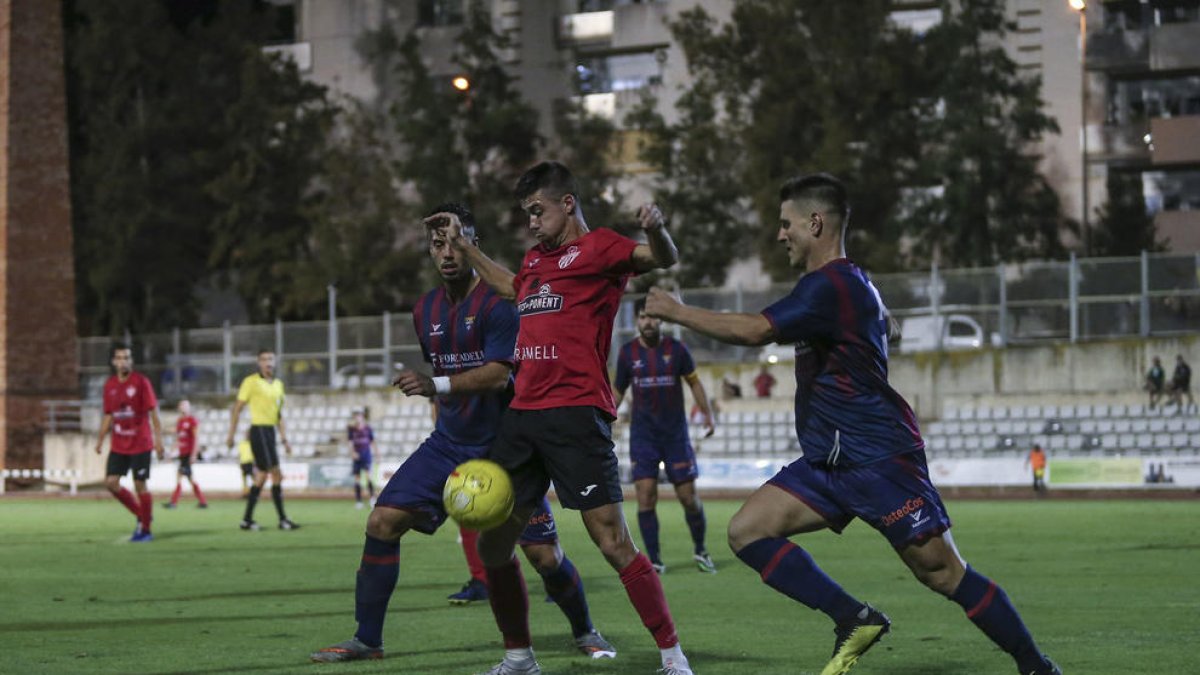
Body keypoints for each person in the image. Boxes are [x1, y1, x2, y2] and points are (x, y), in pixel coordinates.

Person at [644, 173, 1060, 675]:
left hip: (879, 459)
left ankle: (1037, 667)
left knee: (943, 573)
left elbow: (756, 329)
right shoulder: (851, 283)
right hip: (830, 461)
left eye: (786, 224)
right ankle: (853, 618)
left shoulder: (831, 285)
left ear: (815, 223)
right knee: (748, 531)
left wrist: (676, 310)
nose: (780, 235)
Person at [311, 202, 615, 664]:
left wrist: (433, 385)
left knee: (545, 557)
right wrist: (438, 411)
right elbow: (445, 381)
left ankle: (586, 631)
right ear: (430, 252)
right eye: (438, 244)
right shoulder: (425, 310)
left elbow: (496, 376)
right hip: (448, 444)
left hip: (507, 450)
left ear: (473, 246)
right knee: (381, 523)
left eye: (456, 242)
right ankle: (367, 639)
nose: (447, 252)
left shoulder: (501, 304)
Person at [433, 162, 694, 675]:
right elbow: (511, 286)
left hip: (576, 414)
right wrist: (466, 250)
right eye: (526, 213)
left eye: (537, 210)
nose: (531, 222)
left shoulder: (601, 249)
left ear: (567, 203)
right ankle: (518, 658)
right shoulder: (534, 261)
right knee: (494, 543)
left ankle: (672, 655)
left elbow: (660, 257)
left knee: (612, 541)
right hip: (523, 417)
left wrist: (656, 230)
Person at [614, 297, 717, 575]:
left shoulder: (677, 350)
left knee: (689, 498)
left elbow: (694, 383)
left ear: (662, 320)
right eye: (643, 317)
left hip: (675, 437)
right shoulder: (627, 354)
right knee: (645, 497)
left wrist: (707, 414)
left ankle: (701, 550)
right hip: (643, 437)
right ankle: (655, 561)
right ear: (637, 320)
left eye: (653, 317)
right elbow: (618, 391)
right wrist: (605, 417)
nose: (648, 322)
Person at [93, 345, 165, 542]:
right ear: (114, 362)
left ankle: (146, 530)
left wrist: (159, 441)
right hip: (118, 443)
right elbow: (109, 414)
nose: (123, 361)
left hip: (140, 442)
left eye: (126, 357)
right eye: (119, 357)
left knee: (140, 484)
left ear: (131, 361)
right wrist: (100, 439)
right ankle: (142, 516)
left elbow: (153, 412)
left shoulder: (141, 382)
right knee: (111, 482)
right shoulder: (110, 386)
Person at [225, 349, 299, 531]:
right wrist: (231, 434)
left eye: (271, 359)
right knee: (275, 473)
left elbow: (279, 414)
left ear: (275, 362)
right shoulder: (251, 382)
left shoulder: (278, 385)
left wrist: (284, 439)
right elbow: (237, 408)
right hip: (258, 431)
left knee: (262, 477)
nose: (268, 362)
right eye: (264, 359)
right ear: (259, 362)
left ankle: (247, 520)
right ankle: (282, 519)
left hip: (271, 433)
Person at [164, 399, 207, 509]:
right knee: (190, 478)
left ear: (189, 407)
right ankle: (202, 502)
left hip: (189, 454)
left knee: (179, 475)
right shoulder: (180, 421)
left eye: (185, 405)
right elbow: (178, 438)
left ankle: (173, 502)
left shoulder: (192, 421)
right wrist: (171, 452)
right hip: (182, 454)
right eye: (181, 406)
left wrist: (194, 454)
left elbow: (196, 438)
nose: (182, 407)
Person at [348, 410, 377, 509]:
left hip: (366, 454)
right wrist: (352, 453)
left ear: (362, 417)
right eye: (355, 417)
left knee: (368, 476)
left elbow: (372, 441)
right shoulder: (352, 429)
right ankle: (359, 501)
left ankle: (372, 499)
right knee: (357, 478)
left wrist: (377, 454)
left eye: (359, 416)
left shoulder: (368, 428)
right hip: (357, 455)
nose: (357, 418)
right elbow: (350, 442)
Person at [237, 433, 255, 498]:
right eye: (247, 434)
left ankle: (254, 492)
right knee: (244, 479)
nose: (248, 436)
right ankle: (245, 493)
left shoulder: (253, 443)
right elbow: (239, 454)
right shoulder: (241, 444)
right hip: (243, 463)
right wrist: (239, 462)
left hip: (251, 463)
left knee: (254, 478)